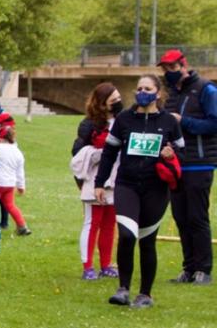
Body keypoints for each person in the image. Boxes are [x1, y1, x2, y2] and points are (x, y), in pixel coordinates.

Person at [95, 75, 184, 309]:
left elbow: (183, 154)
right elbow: (109, 153)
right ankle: (123, 289)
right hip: (127, 185)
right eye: (139, 88)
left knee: (147, 241)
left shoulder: (169, 122)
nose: (142, 92)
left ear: (158, 93)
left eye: (147, 88)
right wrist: (99, 182)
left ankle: (145, 294)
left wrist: (171, 155)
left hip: (156, 189)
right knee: (126, 236)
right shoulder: (124, 119)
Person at [160, 49, 216, 286]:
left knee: (197, 217)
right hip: (177, 164)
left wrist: (185, 122)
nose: (168, 73)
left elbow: (214, 123)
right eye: (165, 69)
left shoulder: (206, 89)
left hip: (199, 163)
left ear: (184, 65)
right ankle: (188, 267)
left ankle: (204, 269)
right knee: (180, 216)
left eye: (172, 68)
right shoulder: (172, 94)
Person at [71, 83, 122, 280]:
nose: (118, 103)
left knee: (110, 224)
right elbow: (77, 154)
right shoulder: (89, 125)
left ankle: (106, 264)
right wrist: (99, 154)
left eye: (119, 99)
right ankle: (88, 266)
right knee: (92, 222)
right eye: (113, 101)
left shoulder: (122, 121)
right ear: (102, 103)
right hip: (95, 180)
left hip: (117, 179)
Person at [0, 124, 31, 235]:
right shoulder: (18, 152)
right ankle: (22, 226)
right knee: (10, 206)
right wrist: (21, 186)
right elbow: (20, 172)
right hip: (10, 185)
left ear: (0, 137)